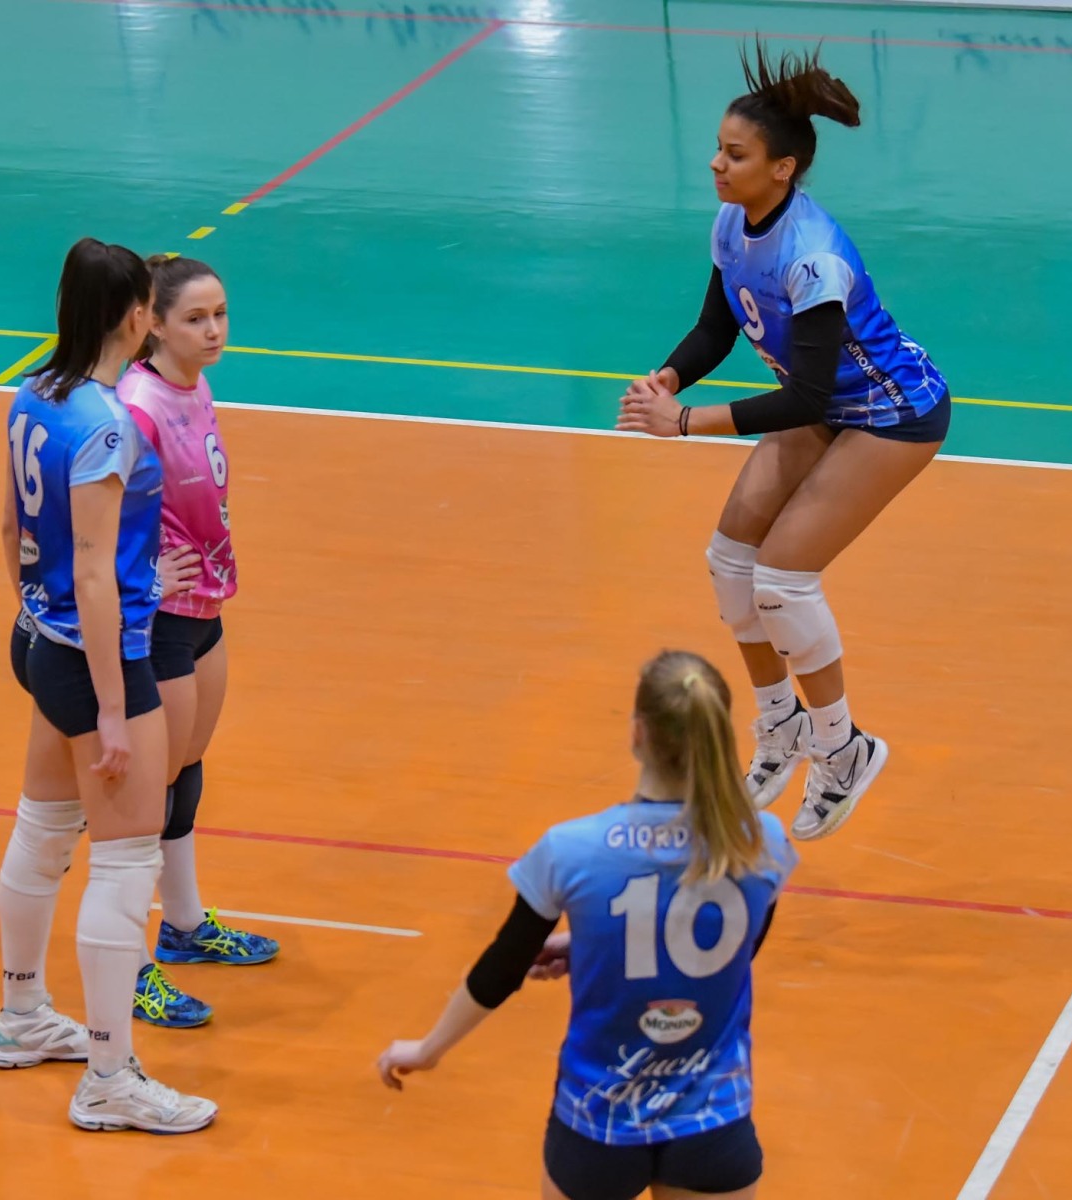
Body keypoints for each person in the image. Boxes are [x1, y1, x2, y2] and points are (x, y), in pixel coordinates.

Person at [616, 44, 951, 842]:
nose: (716, 165)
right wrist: (668, 380)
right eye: (719, 149)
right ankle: (782, 728)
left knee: (783, 581)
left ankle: (844, 750)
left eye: (735, 155)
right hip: (825, 405)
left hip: (891, 414)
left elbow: (806, 396)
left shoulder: (813, 257)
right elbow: (716, 327)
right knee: (729, 564)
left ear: (783, 168)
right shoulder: (733, 222)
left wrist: (685, 424)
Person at [377, 651, 797, 1200]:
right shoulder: (762, 842)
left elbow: (503, 966)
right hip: (712, 1123)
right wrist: (597, 942)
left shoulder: (573, 850)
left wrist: (428, 1050)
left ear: (637, 733)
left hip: (598, 1124)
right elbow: (736, 947)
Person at [0, 237, 216, 1135]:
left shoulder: (32, 395)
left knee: (44, 830)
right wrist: (114, 708)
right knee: (126, 860)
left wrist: (32, 619)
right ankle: (110, 1079)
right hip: (99, 658)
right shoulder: (107, 423)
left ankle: (21, 1016)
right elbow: (92, 569)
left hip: (43, 641)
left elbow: (9, 528)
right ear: (135, 317)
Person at [119, 254, 280, 978]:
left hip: (205, 606)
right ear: (154, 323)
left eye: (220, 314)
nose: (214, 330)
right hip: (160, 619)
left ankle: (182, 926)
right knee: (143, 797)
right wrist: (146, 577)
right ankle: (126, 964)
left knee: (184, 768)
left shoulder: (195, 384)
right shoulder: (137, 407)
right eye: (194, 318)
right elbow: (86, 515)